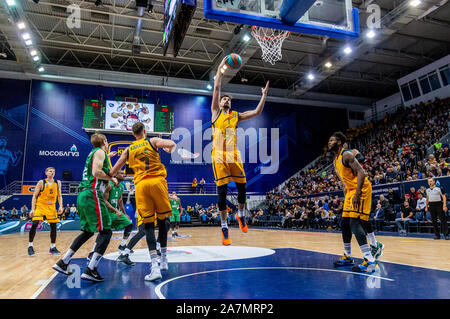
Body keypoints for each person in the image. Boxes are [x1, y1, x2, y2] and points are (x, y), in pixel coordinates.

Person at [211, 56, 269, 245]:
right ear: (219, 103)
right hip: (218, 156)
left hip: (234, 155)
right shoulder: (215, 112)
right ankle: (224, 226)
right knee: (222, 192)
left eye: (228, 99)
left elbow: (257, 113)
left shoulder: (236, 116)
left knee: (243, 187)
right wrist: (221, 67)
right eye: (224, 99)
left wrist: (264, 96)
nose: (226, 100)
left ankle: (241, 215)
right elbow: (217, 88)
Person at [109, 122, 176, 281]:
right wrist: (168, 149)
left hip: (141, 186)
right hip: (158, 183)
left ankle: (154, 268)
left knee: (147, 227)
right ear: (145, 131)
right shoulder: (152, 141)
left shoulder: (128, 149)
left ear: (133, 134)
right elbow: (172, 144)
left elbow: (114, 170)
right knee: (163, 221)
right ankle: (164, 260)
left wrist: (109, 174)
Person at [52, 133, 119, 282]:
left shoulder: (93, 154)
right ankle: (91, 269)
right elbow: (96, 173)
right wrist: (112, 178)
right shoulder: (100, 151)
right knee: (106, 231)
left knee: (88, 231)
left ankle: (64, 262)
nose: (107, 144)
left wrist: (108, 174)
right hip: (92, 194)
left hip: (83, 194)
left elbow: (96, 173)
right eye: (107, 141)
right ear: (104, 141)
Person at [328, 132, 378, 273]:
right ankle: (348, 256)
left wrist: (356, 193)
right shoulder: (336, 159)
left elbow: (362, 172)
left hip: (361, 189)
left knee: (354, 223)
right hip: (351, 190)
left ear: (339, 142)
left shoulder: (347, 155)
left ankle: (370, 260)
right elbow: (346, 180)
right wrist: (347, 193)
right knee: (344, 223)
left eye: (332, 140)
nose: (329, 142)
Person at [86, 171, 133, 262]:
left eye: (124, 173)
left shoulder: (121, 187)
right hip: (106, 212)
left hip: (115, 213)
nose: (124, 175)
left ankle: (122, 245)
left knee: (129, 224)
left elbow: (120, 201)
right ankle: (92, 252)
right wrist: (116, 211)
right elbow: (104, 201)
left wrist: (124, 213)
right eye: (122, 173)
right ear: (115, 175)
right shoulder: (109, 185)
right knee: (104, 233)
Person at [28, 167, 63, 256]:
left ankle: (52, 247)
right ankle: (30, 245)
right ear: (46, 173)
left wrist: (61, 206)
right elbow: (34, 196)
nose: (52, 172)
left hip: (51, 207)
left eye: (54, 171)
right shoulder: (41, 182)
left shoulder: (58, 183)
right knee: (35, 223)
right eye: (50, 171)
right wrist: (32, 208)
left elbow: (59, 196)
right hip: (40, 205)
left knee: (54, 226)